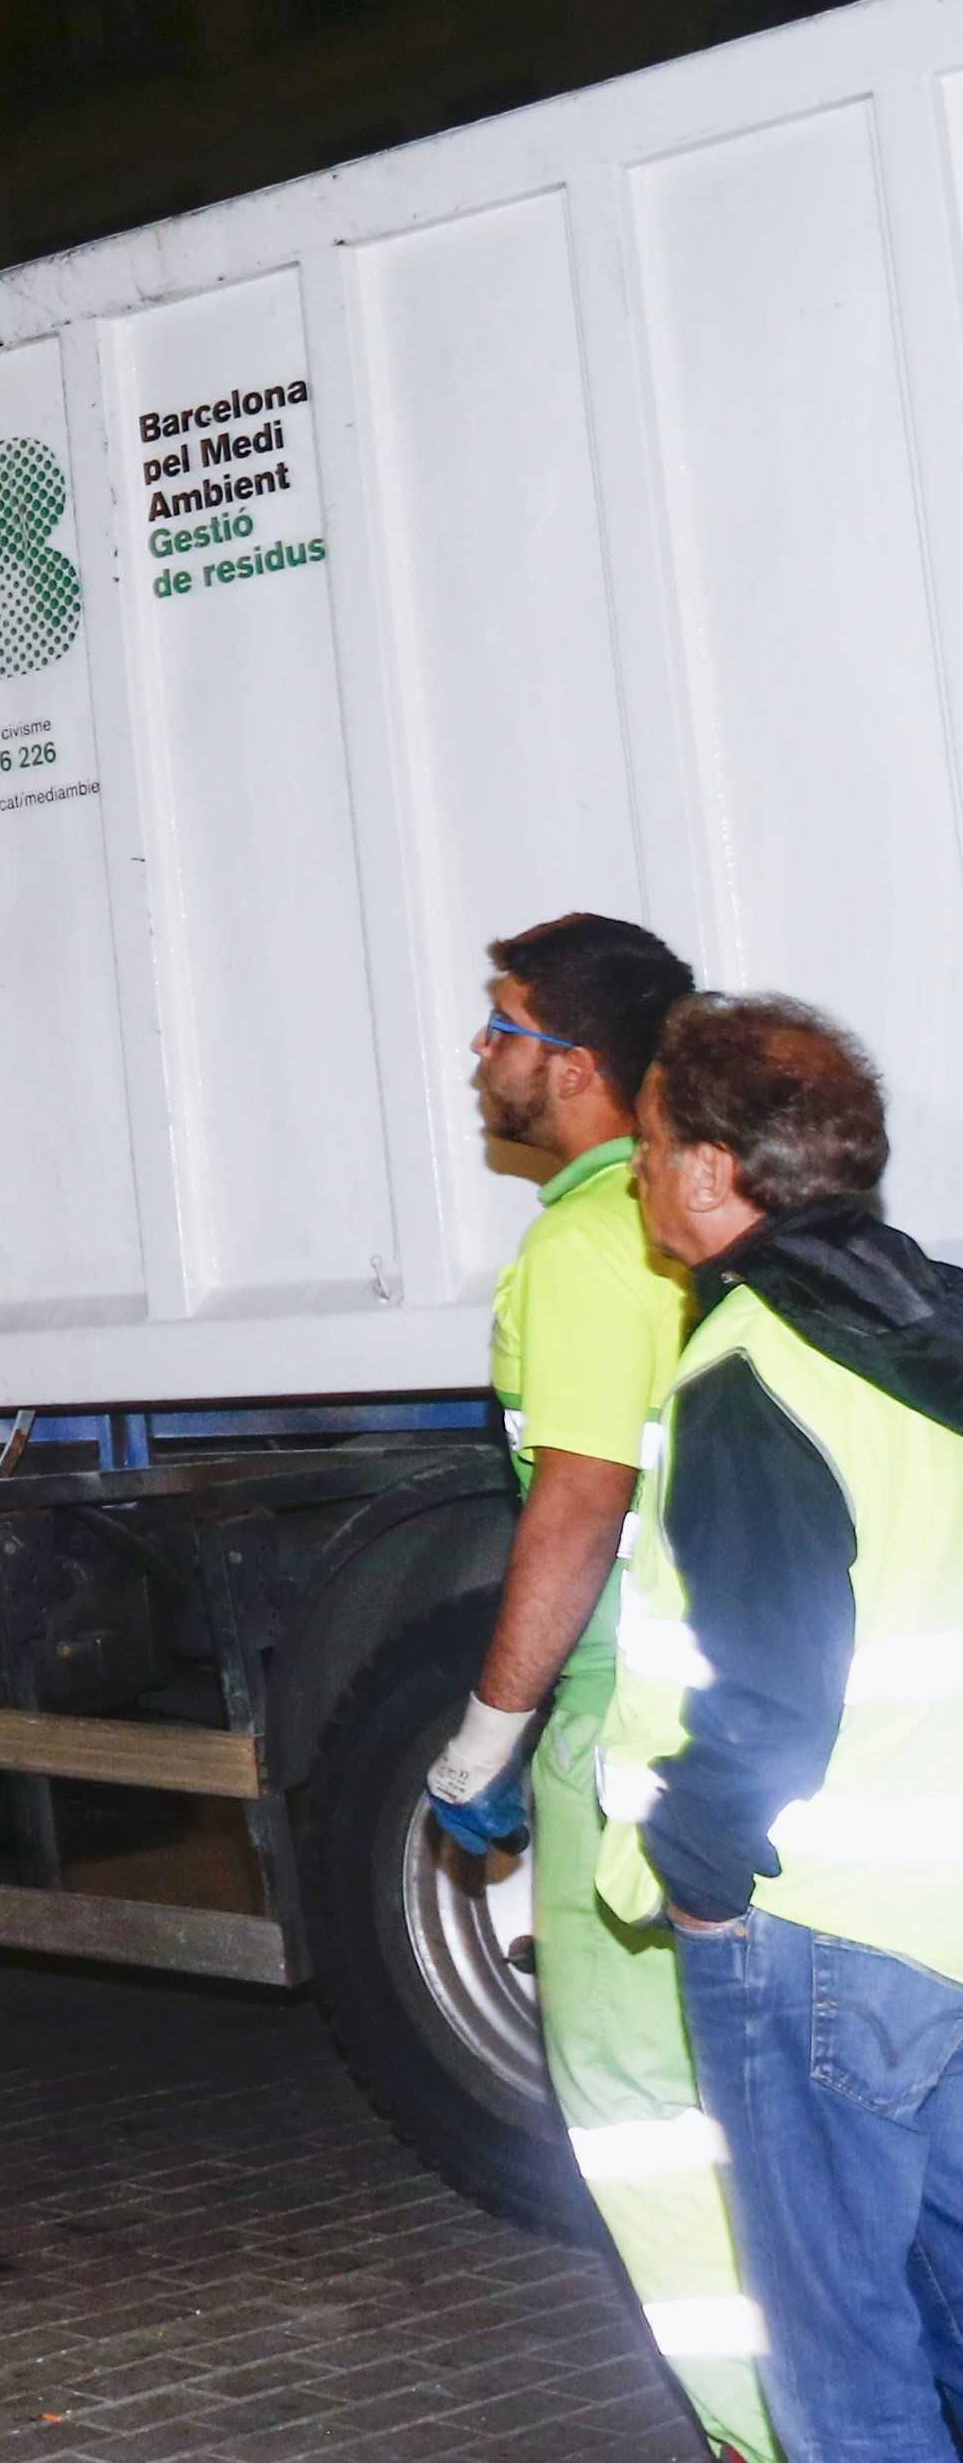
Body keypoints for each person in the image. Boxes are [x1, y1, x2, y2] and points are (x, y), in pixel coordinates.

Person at [415, 916, 768, 2453]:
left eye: (502, 1028)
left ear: (574, 1064)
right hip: (730, 1715)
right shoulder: (704, 1218)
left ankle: (767, 2429)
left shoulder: (582, 1239)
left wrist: (482, 1742)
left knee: (637, 2120)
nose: (481, 1056)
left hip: (622, 1737)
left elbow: (577, 1499)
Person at [595, 995, 963, 2461]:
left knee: (838, 2358)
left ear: (711, 1164)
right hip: (943, 1904)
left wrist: (694, 1870)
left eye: (644, 1143)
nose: (633, 1176)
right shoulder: (930, 1322)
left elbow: (765, 1689)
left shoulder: (752, 1368)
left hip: (814, 1924)